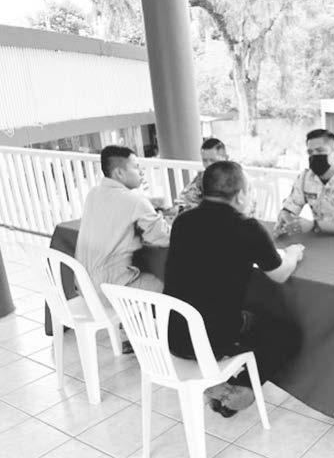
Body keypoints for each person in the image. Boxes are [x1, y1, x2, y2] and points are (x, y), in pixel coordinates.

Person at [165, 161, 304, 417]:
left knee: (240, 313)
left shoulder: (182, 221)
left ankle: (221, 386)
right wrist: (293, 254)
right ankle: (239, 389)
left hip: (172, 334)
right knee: (286, 333)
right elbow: (280, 274)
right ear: (240, 195)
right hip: (211, 340)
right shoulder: (247, 227)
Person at [76, 146, 171, 353]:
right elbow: (162, 237)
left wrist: (148, 204)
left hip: (85, 287)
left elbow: (117, 211)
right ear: (119, 172)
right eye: (136, 167)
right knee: (167, 282)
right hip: (109, 291)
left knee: (135, 270)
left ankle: (132, 331)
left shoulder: (93, 193)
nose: (141, 172)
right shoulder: (135, 201)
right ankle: (159, 339)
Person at [274, 129, 334, 236]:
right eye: (310, 152)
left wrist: (313, 225)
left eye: (320, 151)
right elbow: (290, 207)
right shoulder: (305, 177)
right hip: (318, 238)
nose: (314, 156)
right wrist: (286, 219)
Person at [174, 138, 229, 210]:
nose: (208, 165)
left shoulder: (234, 179)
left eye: (213, 160)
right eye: (205, 160)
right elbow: (182, 199)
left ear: (225, 158)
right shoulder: (201, 177)